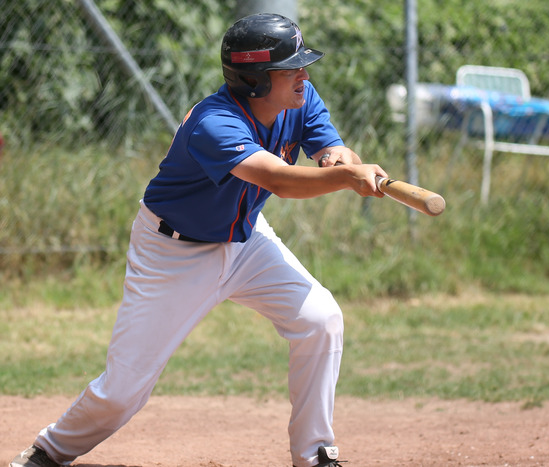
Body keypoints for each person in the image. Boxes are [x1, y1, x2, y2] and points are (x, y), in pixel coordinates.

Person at [10, 13, 387, 467]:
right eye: (291, 68)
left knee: (321, 318)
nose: (304, 75)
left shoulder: (299, 99)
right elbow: (283, 182)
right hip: (173, 252)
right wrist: (348, 178)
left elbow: (330, 147)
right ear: (255, 80)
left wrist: (339, 158)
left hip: (246, 241)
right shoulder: (215, 123)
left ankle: (315, 455)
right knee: (122, 392)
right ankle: (49, 452)